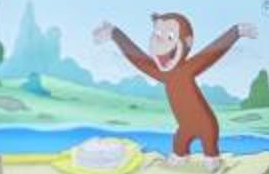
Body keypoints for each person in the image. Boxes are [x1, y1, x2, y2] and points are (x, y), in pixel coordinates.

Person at [96, 11, 254, 162]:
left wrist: (235, 32)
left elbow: (211, 53)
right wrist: (115, 33)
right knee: (178, 151)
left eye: (170, 37)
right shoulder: (162, 73)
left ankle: (210, 158)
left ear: (187, 42)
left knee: (210, 157)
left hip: (207, 126)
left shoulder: (188, 68)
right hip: (184, 128)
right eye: (157, 35)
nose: (160, 42)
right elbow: (138, 58)